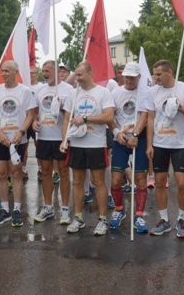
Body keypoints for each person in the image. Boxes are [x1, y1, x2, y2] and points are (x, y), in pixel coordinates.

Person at [146, 59, 184, 238]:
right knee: (160, 182)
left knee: (182, 183)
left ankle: (181, 219)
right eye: (155, 74)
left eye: (159, 74)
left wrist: (180, 107)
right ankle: (164, 220)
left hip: (180, 145)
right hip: (159, 143)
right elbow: (150, 119)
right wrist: (149, 144)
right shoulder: (153, 92)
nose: (156, 78)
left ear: (170, 72)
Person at [61, 62, 115, 236]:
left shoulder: (103, 92)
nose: (76, 78)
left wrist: (85, 119)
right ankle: (78, 218)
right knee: (77, 181)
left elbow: (109, 116)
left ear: (90, 73)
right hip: (76, 143)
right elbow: (67, 119)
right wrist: (64, 140)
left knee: (98, 181)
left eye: (80, 75)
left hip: (96, 143)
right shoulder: (73, 93)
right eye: (76, 75)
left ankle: (102, 220)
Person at [0, 61, 36, 227]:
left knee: (16, 173)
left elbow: (30, 114)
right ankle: (4, 209)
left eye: (7, 71)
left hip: (17, 139)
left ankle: (16, 210)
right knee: (0, 173)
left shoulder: (25, 91)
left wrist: (21, 132)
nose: (4, 73)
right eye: (3, 71)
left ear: (16, 72)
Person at [108, 62, 150, 233]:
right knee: (116, 180)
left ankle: (139, 215)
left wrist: (135, 135)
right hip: (120, 140)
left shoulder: (145, 93)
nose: (128, 80)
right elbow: (110, 116)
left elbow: (145, 116)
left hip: (139, 140)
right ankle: (119, 210)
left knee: (140, 181)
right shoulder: (115, 92)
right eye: (126, 76)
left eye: (132, 77)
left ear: (139, 77)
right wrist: (117, 132)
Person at [32, 60, 74, 224]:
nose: (45, 73)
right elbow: (36, 112)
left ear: (57, 72)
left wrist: (62, 105)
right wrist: (35, 121)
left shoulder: (68, 90)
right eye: (43, 71)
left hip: (60, 138)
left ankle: (64, 210)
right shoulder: (41, 89)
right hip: (44, 137)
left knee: (63, 173)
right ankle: (48, 207)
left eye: (47, 70)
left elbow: (72, 113)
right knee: (46, 172)